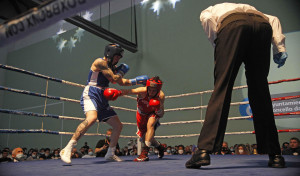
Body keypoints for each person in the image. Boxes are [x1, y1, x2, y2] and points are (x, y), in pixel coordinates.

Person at [186, 3, 287, 169]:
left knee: (222, 87)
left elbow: (207, 20)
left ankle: (203, 151)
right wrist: (279, 48)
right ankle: (275, 154)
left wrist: (219, 45)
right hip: (262, 26)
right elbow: (273, 19)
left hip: (232, 27)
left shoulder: (210, 10)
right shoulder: (253, 9)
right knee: (260, 89)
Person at [60, 43, 149, 164]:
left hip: (103, 95)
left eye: (119, 57)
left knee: (118, 125)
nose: (118, 59)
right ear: (110, 54)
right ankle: (68, 148)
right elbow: (114, 79)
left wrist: (137, 81)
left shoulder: (112, 67)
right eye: (117, 56)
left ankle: (110, 153)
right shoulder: (100, 62)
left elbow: (122, 83)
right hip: (92, 92)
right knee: (91, 118)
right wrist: (122, 71)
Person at [103, 76, 166, 162]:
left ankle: (145, 153)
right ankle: (159, 146)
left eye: (154, 90)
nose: (151, 92)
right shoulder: (142, 91)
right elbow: (129, 91)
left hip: (153, 113)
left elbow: (161, 114)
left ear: (158, 90)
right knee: (145, 138)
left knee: (150, 125)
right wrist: (118, 92)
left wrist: (157, 109)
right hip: (141, 114)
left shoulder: (161, 96)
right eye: (150, 89)